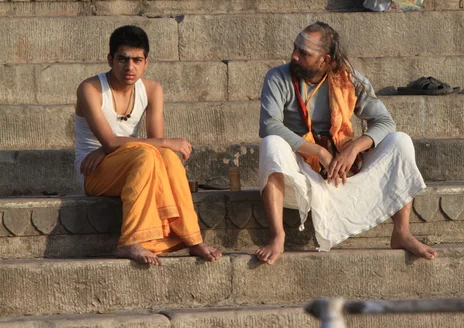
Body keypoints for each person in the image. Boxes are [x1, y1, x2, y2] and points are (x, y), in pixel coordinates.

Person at [256, 21, 437, 265]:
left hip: (343, 170)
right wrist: (320, 152)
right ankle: (278, 236)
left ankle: (401, 232)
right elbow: (269, 125)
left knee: (399, 141)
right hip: (302, 172)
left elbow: (384, 121)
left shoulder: (349, 78)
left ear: (326, 60)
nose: (294, 56)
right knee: (272, 144)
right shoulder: (277, 77)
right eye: (295, 48)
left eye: (304, 53)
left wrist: (354, 148)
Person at [74, 25, 222, 266]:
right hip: (93, 171)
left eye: (136, 60)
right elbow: (113, 141)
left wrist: (114, 147)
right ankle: (130, 241)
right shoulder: (90, 89)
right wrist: (110, 147)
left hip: (130, 161)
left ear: (146, 62)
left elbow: (156, 149)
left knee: (167, 157)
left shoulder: (152, 89)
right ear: (110, 59)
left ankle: (192, 238)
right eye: (122, 59)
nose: (129, 67)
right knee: (150, 153)